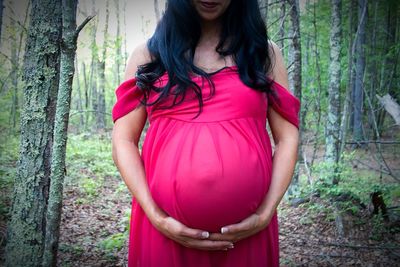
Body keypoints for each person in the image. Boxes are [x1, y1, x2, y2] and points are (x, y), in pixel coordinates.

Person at [111, 0, 300, 266]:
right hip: (164, 235)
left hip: (247, 236)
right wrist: (156, 216)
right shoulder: (149, 55)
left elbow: (288, 137)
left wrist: (266, 212)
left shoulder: (263, 54)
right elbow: (123, 140)